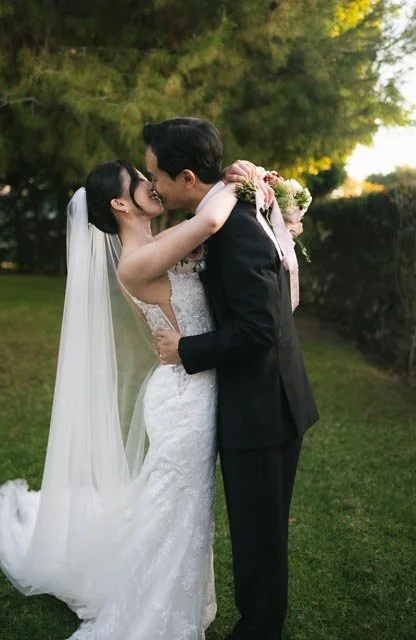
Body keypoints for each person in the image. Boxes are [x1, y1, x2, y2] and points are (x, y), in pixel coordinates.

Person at [0, 156, 245, 640]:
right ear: (120, 203)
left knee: (180, 508)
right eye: (141, 181)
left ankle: (176, 598)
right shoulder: (138, 260)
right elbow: (211, 219)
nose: (154, 184)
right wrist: (243, 180)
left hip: (188, 386)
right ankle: (154, 613)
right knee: (179, 508)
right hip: (186, 401)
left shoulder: (158, 245)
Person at [149, 117, 319, 640]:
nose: (151, 183)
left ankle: (259, 630)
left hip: (265, 408)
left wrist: (186, 349)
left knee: (259, 534)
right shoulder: (227, 213)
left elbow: (261, 328)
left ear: (184, 177)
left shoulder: (232, 232)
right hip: (261, 399)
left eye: (156, 174)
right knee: (256, 529)